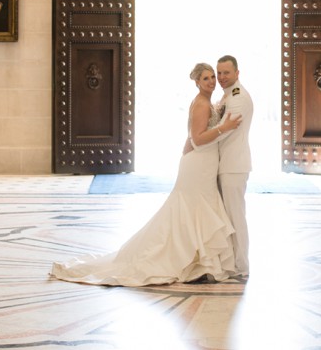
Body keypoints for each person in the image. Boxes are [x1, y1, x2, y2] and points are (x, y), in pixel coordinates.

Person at [50, 62, 243, 286]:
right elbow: (197, 139)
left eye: (213, 77)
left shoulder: (208, 102)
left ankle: (198, 261)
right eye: (206, 78)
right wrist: (223, 128)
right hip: (197, 165)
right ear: (197, 82)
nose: (211, 82)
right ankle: (185, 259)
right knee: (190, 209)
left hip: (205, 165)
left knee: (197, 210)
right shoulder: (201, 104)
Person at [185, 54, 254, 278]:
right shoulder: (226, 96)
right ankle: (230, 262)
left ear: (237, 73)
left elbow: (225, 131)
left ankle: (241, 266)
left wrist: (196, 142)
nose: (220, 78)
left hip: (233, 164)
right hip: (221, 164)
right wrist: (196, 140)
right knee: (227, 218)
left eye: (225, 73)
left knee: (235, 217)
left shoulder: (237, 97)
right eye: (218, 73)